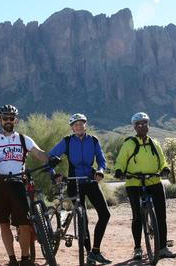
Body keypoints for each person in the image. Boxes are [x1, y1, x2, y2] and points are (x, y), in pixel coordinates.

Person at [0, 104, 51, 266]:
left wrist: (52, 157)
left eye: (11, 118)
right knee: (4, 223)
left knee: (24, 223)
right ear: (0, 120)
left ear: (16, 120)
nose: (8, 121)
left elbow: (39, 154)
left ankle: (25, 259)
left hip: (18, 183)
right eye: (5, 118)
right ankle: (12, 259)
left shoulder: (24, 139)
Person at [49, 113, 112, 265]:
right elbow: (51, 157)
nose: (78, 126)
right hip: (73, 182)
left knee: (105, 214)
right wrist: (54, 175)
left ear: (85, 125)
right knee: (83, 217)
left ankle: (95, 251)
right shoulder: (67, 141)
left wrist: (101, 171)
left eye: (81, 123)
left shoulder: (93, 140)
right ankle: (89, 252)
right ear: (72, 127)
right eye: (75, 124)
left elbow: (102, 161)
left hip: (90, 181)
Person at [114, 112, 176, 261]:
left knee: (161, 215)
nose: (142, 126)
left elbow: (162, 161)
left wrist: (165, 168)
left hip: (153, 180)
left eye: (145, 124)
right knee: (137, 216)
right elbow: (121, 161)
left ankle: (162, 248)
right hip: (134, 182)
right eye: (139, 124)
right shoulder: (129, 143)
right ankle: (137, 248)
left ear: (148, 125)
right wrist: (119, 170)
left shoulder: (154, 143)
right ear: (134, 127)